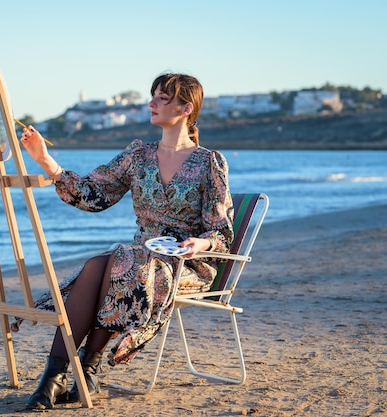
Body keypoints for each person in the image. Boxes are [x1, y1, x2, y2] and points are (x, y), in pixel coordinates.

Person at [18, 72, 234, 410]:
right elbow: (95, 194)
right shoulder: (138, 155)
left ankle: (83, 371)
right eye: (153, 96)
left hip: (183, 264)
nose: (151, 103)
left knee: (122, 260)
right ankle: (57, 376)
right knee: (97, 266)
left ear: (185, 108)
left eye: (161, 98)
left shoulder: (209, 162)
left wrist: (199, 244)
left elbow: (221, 232)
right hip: (136, 257)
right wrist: (45, 160)